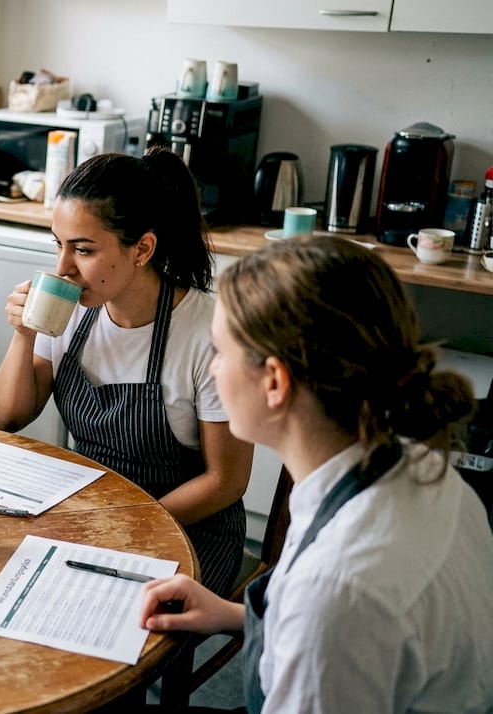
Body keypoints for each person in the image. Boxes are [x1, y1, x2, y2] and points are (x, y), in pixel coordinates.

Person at [139, 236, 493, 712]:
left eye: (218, 351)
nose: (214, 368)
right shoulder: (420, 467)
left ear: (274, 382)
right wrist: (232, 615)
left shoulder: (335, 591)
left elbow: (334, 619)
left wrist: (302, 618)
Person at [0, 151, 253, 596]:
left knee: (104, 611)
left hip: (187, 526)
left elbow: (225, 481)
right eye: (59, 245)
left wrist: (129, 522)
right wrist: (24, 333)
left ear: (142, 249)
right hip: (87, 511)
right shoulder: (70, 310)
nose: (63, 268)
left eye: (83, 250)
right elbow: (10, 417)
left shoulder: (208, 334)